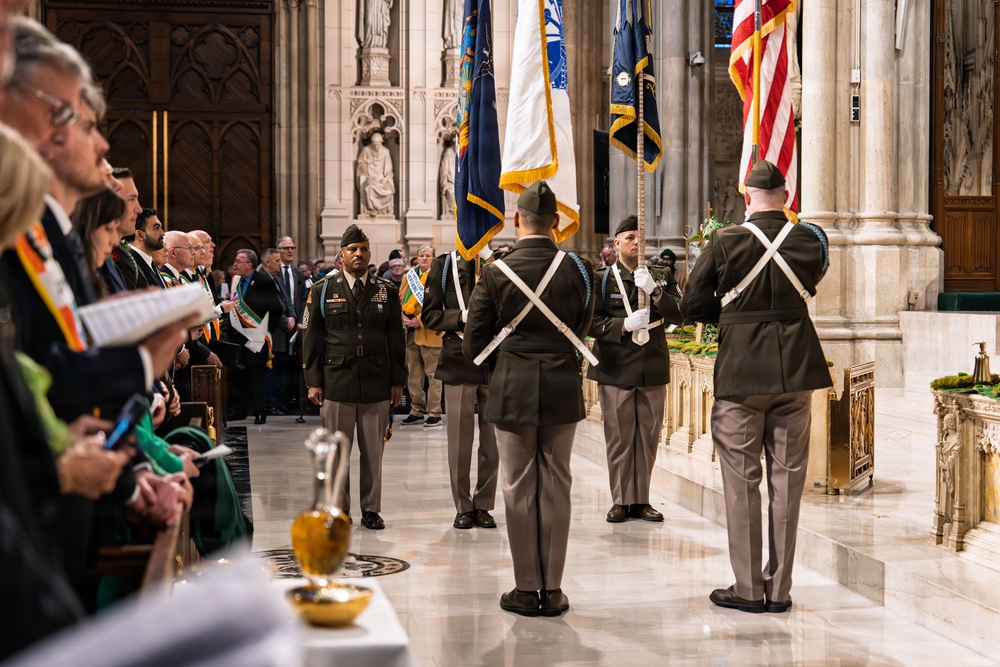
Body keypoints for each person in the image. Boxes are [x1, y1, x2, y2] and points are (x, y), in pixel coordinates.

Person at [680, 160, 832, 614]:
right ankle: (780, 589)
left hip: (743, 372)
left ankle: (747, 588)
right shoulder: (809, 240)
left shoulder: (725, 240)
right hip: (795, 371)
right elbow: (810, 283)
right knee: (788, 482)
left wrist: (733, 318)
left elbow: (691, 304)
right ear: (786, 196)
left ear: (747, 197)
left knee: (742, 482)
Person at [463, 181, 595, 618]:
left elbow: (474, 343)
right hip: (560, 384)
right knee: (557, 483)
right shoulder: (578, 269)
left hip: (513, 386)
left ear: (516, 219)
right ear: (557, 222)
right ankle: (553, 589)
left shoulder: (496, 272)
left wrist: (505, 368)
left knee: (518, 486)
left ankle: (526, 587)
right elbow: (582, 325)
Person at [302, 224, 406, 530]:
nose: (358, 254)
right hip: (337, 380)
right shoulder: (323, 290)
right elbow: (312, 338)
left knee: (373, 453)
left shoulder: (386, 291)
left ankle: (371, 509)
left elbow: (396, 339)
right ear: (342, 255)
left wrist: (398, 380)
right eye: (352, 249)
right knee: (336, 455)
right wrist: (313, 381)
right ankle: (339, 509)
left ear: (370, 253)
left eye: (363, 249)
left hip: (376, 381)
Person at [588, 214, 683, 523]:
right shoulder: (601, 278)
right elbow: (590, 322)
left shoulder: (660, 274)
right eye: (629, 237)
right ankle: (620, 500)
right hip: (616, 366)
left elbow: (680, 314)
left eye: (639, 236)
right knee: (618, 437)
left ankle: (641, 500)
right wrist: (623, 324)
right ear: (616, 243)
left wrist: (656, 291)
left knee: (648, 437)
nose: (635, 241)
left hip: (651, 366)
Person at [422, 248, 499, 529]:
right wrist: (460, 317)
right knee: (459, 442)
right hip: (458, 360)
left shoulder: (499, 262)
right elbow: (429, 316)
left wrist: (491, 261)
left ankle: (484, 504)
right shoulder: (444, 265)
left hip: (494, 362)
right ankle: (463, 506)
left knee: (493, 443)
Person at [229, 248, 287, 425]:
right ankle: (239, 411)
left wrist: (266, 330)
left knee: (256, 376)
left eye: (239, 261)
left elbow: (276, 308)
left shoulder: (263, 281)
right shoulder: (236, 281)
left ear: (249, 264)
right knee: (239, 375)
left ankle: (260, 411)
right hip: (238, 338)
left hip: (256, 337)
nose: (235, 264)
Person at [399, 244, 444, 427]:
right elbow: (401, 299)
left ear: (433, 257)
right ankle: (416, 410)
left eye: (427, 255)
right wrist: (403, 316)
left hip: (430, 332)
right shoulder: (408, 277)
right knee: (414, 375)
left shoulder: (439, 278)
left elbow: (441, 306)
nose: (423, 258)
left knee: (433, 376)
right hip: (411, 333)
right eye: (421, 255)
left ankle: (434, 412)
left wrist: (420, 320)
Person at [357, 129, 394, 216]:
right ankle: (371, 209)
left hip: (381, 178)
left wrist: (386, 178)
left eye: (378, 144)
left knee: (389, 190)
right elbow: (360, 163)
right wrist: (366, 162)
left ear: (381, 142)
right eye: (374, 144)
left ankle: (383, 210)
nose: (376, 146)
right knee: (369, 186)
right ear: (371, 143)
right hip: (370, 177)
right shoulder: (366, 150)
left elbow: (389, 169)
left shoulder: (386, 152)